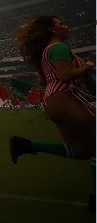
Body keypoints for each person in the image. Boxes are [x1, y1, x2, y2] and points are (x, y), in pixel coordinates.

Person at [12, 16, 95, 207]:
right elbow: (64, 75)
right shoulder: (58, 48)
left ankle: (26, 146)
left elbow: (43, 81)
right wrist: (89, 65)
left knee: (81, 150)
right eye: (61, 23)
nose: (66, 26)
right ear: (52, 29)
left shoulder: (44, 53)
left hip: (52, 100)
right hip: (66, 97)